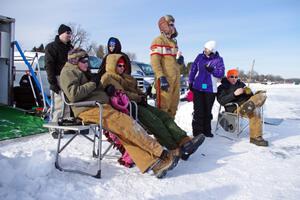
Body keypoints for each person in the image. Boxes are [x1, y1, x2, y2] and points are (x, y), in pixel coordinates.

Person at [59, 48, 180, 178]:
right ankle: (162, 154)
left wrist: (106, 89)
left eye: (87, 60)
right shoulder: (68, 72)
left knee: (124, 132)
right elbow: (73, 95)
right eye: (84, 61)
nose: (87, 63)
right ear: (75, 61)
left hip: (100, 107)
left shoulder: (82, 71)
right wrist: (93, 84)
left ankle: (154, 163)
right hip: (89, 109)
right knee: (127, 125)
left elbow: (93, 89)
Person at [101, 54, 205, 160]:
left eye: (123, 65)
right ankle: (174, 148)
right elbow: (121, 94)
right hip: (128, 107)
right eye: (119, 65)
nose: (122, 67)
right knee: (155, 122)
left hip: (138, 103)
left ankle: (184, 141)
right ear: (112, 65)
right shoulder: (108, 77)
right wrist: (138, 98)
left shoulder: (127, 77)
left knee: (164, 116)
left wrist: (143, 95)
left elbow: (137, 90)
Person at [217, 69, 269, 146]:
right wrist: (234, 94)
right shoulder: (222, 87)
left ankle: (255, 138)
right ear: (227, 77)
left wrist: (248, 92)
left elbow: (250, 96)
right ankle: (255, 136)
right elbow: (221, 101)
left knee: (260, 95)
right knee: (254, 110)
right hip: (236, 108)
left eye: (236, 77)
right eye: (232, 77)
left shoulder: (240, 84)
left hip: (247, 105)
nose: (234, 78)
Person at [188, 40, 225, 137]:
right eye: (204, 48)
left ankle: (206, 130)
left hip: (210, 89)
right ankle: (197, 132)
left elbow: (221, 73)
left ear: (212, 50)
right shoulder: (200, 57)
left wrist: (212, 70)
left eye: (207, 49)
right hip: (198, 87)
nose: (204, 50)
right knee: (198, 110)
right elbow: (193, 69)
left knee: (207, 110)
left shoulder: (219, 59)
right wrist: (191, 81)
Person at [150, 15, 182, 118]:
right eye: (171, 24)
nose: (173, 27)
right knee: (163, 107)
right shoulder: (158, 41)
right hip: (165, 80)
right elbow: (155, 61)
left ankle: (171, 130)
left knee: (173, 106)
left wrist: (180, 60)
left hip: (175, 79)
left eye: (173, 24)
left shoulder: (173, 42)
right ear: (164, 26)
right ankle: (162, 132)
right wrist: (161, 76)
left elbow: (173, 61)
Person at [45, 24, 73, 134]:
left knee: (68, 103)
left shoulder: (70, 48)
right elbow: (49, 65)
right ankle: (53, 128)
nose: (69, 36)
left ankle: (65, 127)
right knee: (58, 104)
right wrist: (52, 82)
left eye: (70, 33)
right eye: (68, 33)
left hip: (69, 79)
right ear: (61, 33)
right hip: (57, 78)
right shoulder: (51, 47)